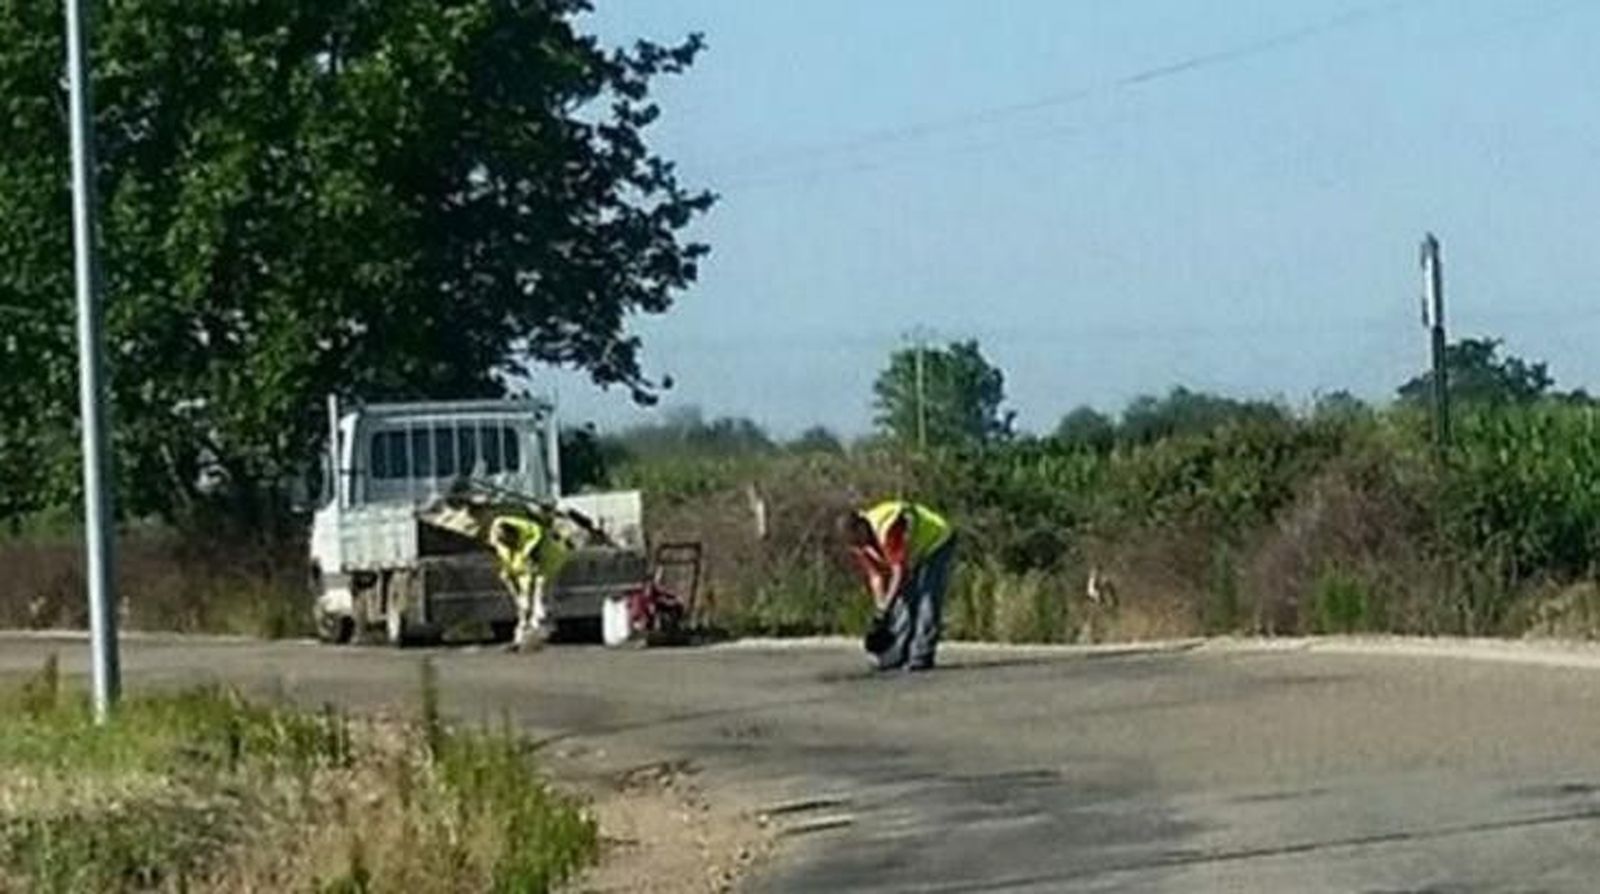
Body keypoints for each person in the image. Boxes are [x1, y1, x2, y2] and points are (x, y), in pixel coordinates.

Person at [840, 499, 956, 672]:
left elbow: (898, 572)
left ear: (861, 527)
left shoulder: (887, 528)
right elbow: (876, 577)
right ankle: (897, 654)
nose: (859, 545)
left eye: (858, 540)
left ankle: (921, 655)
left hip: (936, 540)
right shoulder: (860, 544)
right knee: (901, 601)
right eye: (854, 543)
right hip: (913, 552)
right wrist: (881, 611)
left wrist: (887, 605)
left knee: (927, 599)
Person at [489, 513, 571, 651]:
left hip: (546, 566)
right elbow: (506, 565)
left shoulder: (532, 544)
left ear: (514, 536)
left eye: (509, 541)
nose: (507, 544)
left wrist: (526, 599)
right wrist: (515, 591)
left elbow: (533, 575)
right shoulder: (499, 537)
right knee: (523, 607)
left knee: (538, 601)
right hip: (523, 570)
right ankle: (520, 638)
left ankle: (537, 635)